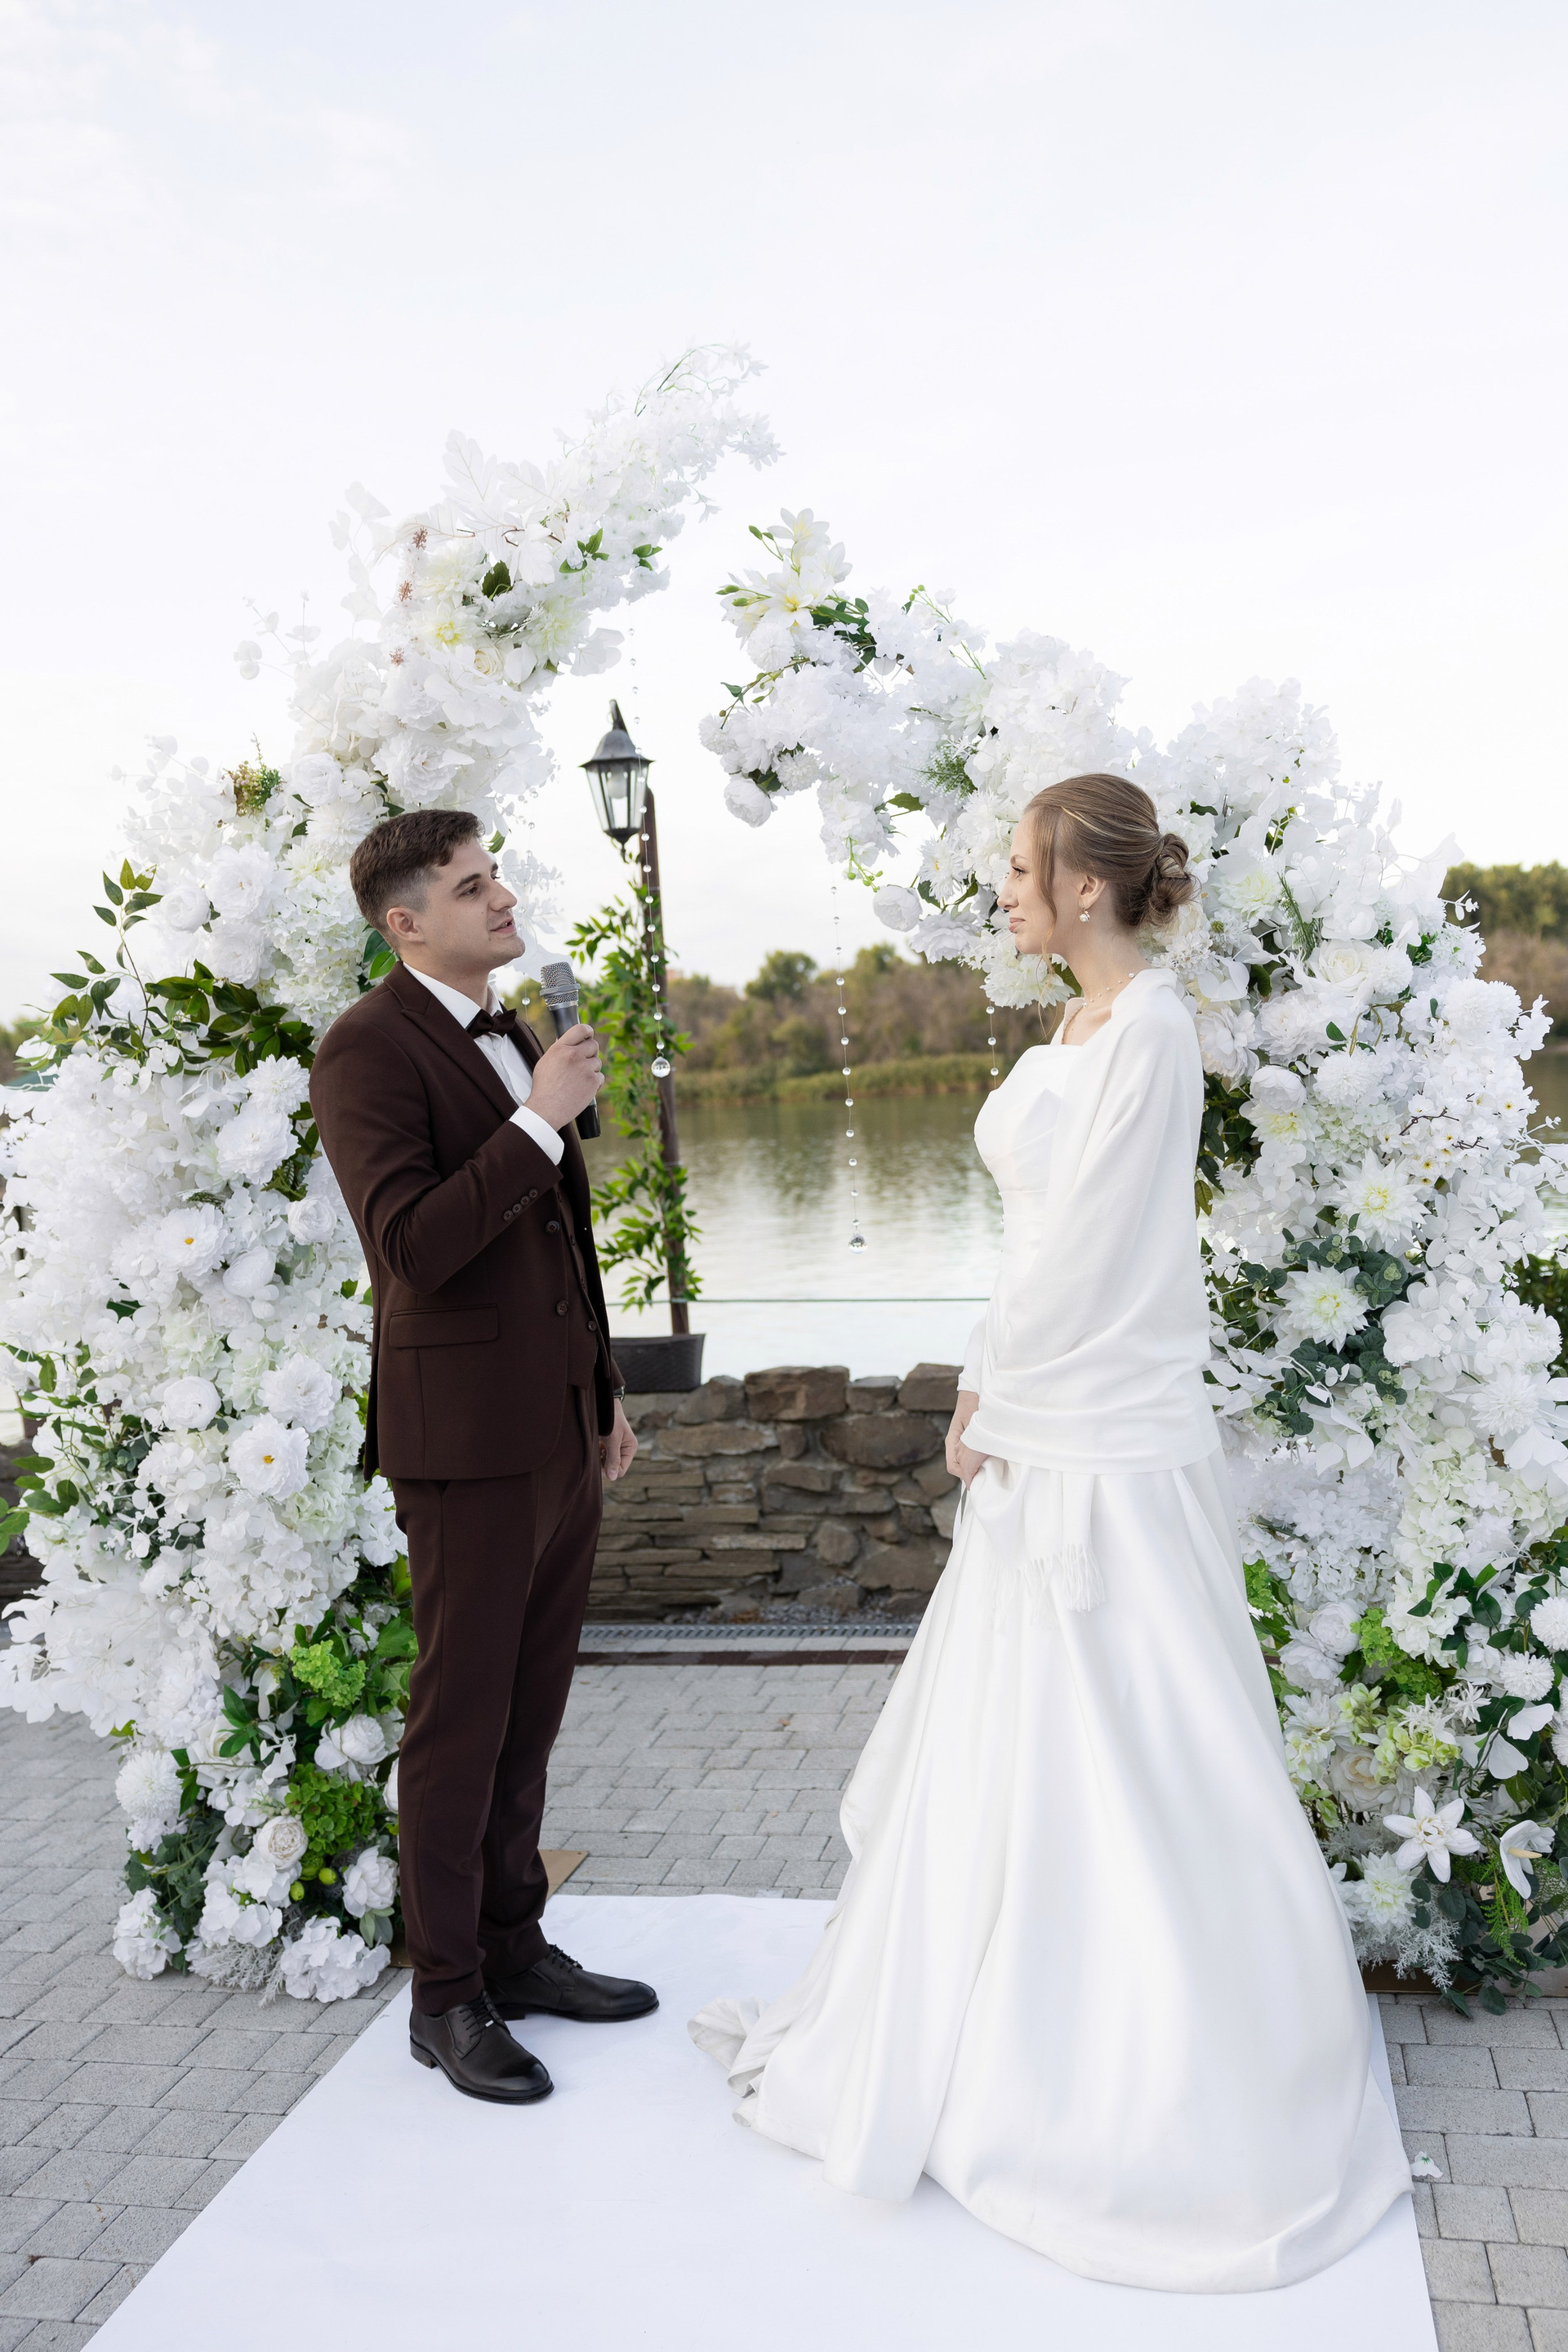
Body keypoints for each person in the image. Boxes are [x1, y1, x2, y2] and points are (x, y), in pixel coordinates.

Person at [690, 774, 1412, 2290]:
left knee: (1139, 1727)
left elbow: (1098, 1254)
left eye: (1022, 870)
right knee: (1016, 1737)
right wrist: (987, 1380)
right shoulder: (1069, 1032)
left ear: (1088, 886)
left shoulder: (1150, 1030)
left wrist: (1002, 1402)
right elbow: (1035, 1247)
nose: (1006, 893)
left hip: (1099, 1435)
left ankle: (1151, 2072)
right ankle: (981, 2021)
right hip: (1039, 1414)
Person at [311, 808, 656, 2105]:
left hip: (558, 1424)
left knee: (533, 1707)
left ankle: (514, 1946)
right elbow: (410, 1246)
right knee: (460, 1722)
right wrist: (536, 1119)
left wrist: (603, 1389)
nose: (501, 897)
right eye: (471, 886)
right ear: (405, 924)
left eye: (495, 874)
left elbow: (561, 1233)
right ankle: (444, 1995)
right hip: (462, 1443)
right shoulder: (365, 1048)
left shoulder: (513, 1027)